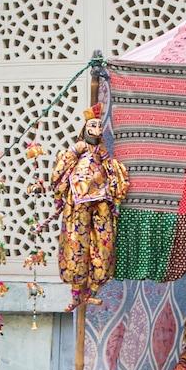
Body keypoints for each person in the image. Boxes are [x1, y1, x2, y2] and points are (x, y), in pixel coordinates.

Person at [50, 103, 129, 311]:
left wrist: (115, 188)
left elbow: (111, 168)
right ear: (85, 129)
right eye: (92, 125)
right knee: (76, 242)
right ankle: (77, 294)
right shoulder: (79, 149)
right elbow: (64, 164)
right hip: (78, 199)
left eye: (98, 126)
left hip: (101, 197)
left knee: (103, 243)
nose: (96, 129)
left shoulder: (101, 152)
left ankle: (92, 289)